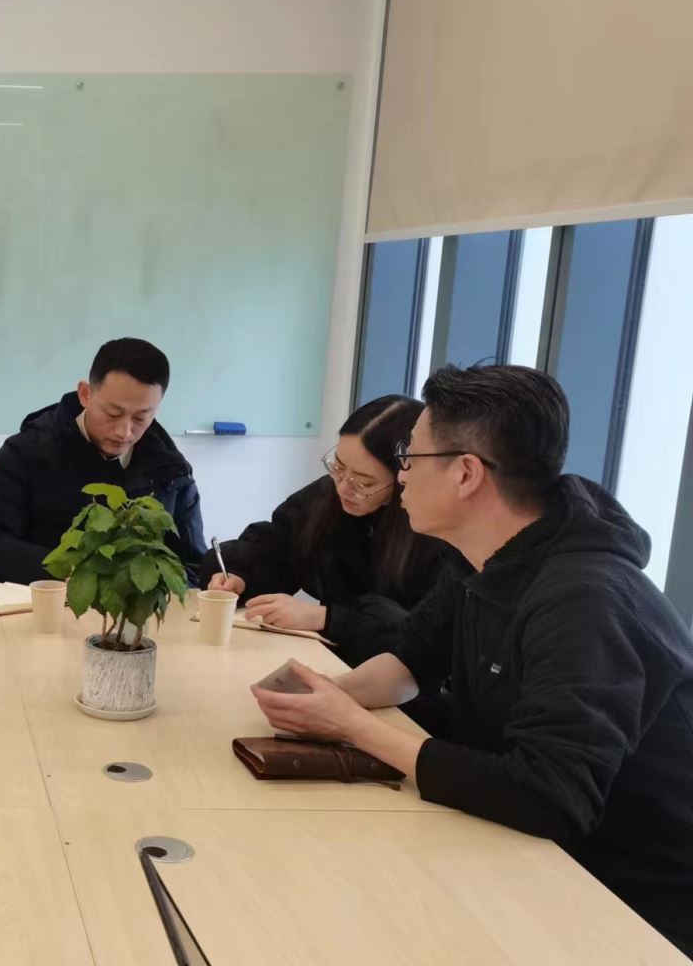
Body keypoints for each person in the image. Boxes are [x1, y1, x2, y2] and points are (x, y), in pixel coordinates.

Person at [250, 364, 693, 957]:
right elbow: (407, 662)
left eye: (410, 457)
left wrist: (352, 726)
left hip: (631, 907)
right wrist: (324, 696)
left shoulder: (585, 597)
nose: (400, 476)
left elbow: (548, 796)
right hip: (527, 854)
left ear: (465, 473)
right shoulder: (482, 560)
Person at [207, 395, 454, 669]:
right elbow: (280, 546)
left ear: (403, 477)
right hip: (327, 661)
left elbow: (425, 636)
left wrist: (327, 619)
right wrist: (241, 575)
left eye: (364, 482)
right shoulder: (328, 495)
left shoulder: (436, 530)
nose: (344, 488)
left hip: (397, 678)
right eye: (338, 467)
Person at [0, 337, 207, 584]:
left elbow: (192, 566)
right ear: (85, 394)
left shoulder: (171, 470)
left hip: (137, 614)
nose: (124, 432)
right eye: (113, 413)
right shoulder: (30, 451)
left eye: (141, 418)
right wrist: (70, 571)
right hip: (40, 606)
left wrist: (209, 577)